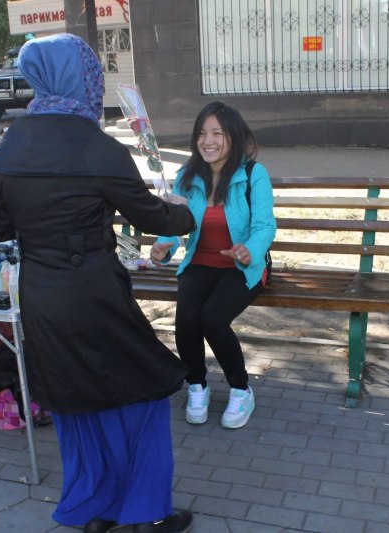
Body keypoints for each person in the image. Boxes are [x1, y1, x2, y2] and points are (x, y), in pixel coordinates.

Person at [0, 34, 196, 533]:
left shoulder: (10, 144)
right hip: (94, 295)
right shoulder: (98, 146)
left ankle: (95, 509)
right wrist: (186, 211)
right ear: (83, 79)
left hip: (42, 296)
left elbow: (0, 228)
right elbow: (156, 218)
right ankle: (145, 513)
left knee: (75, 402)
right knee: (143, 393)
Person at [150, 101, 276, 429]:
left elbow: (265, 226)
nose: (208, 141)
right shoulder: (187, 175)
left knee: (213, 319)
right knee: (186, 319)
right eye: (202, 133)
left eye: (217, 133)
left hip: (242, 266)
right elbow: (177, 222)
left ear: (233, 136)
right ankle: (197, 385)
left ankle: (241, 389)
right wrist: (165, 244)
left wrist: (249, 250)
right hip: (200, 262)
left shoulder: (253, 174)